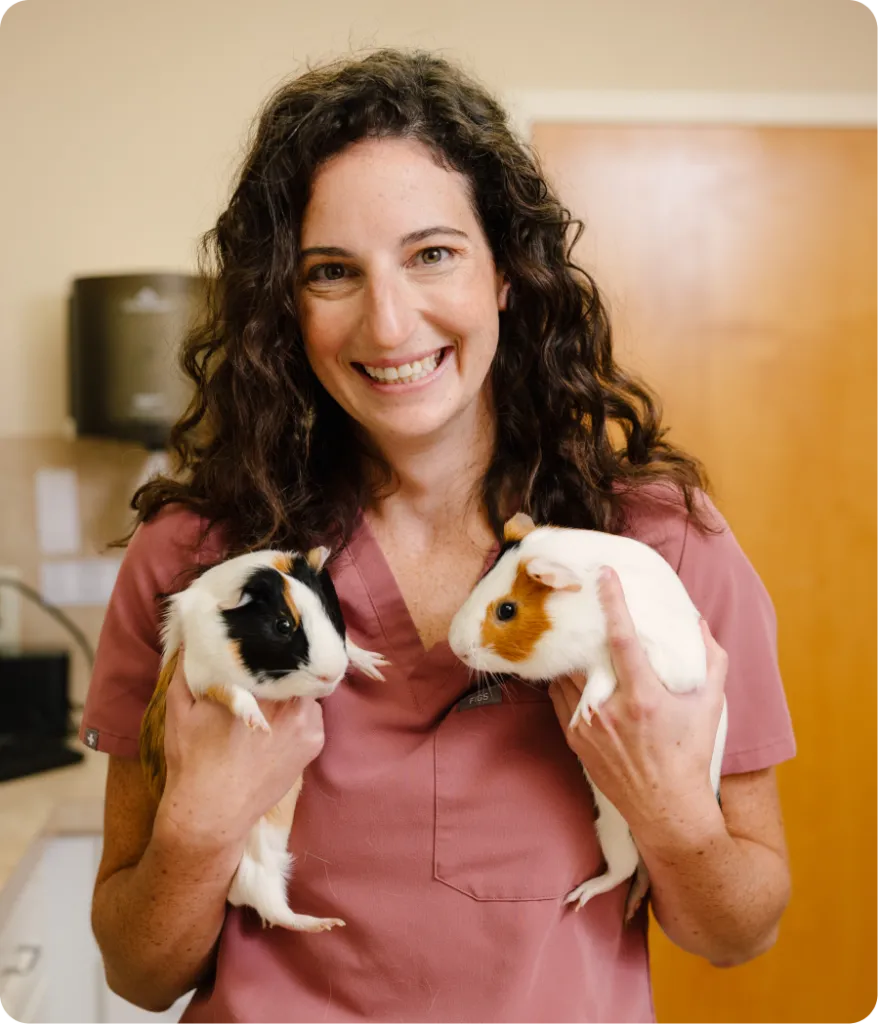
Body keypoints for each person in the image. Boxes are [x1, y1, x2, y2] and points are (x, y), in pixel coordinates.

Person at [81, 48, 795, 1023]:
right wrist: (201, 826)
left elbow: (738, 929)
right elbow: (138, 968)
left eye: (431, 254)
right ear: (284, 307)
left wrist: (668, 813)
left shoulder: (658, 554)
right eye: (330, 272)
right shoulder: (195, 565)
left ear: (506, 270)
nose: (388, 322)